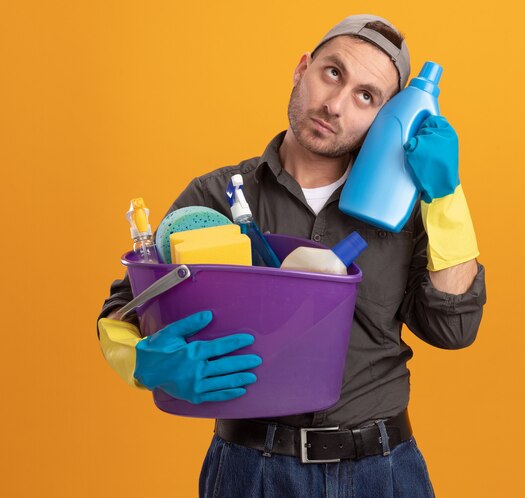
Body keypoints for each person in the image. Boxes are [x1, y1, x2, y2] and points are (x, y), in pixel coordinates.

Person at [97, 14, 487, 498]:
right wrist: (141, 362)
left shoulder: (404, 210)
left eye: (366, 96)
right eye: (332, 73)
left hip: (383, 473)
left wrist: (446, 196)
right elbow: (126, 307)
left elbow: (454, 329)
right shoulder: (214, 198)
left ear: (384, 118)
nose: (335, 105)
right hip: (249, 471)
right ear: (303, 68)